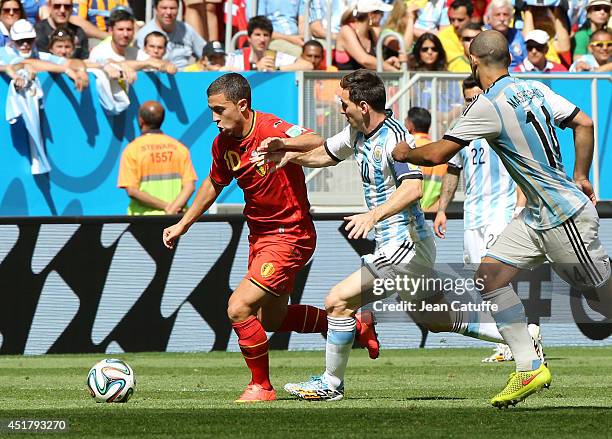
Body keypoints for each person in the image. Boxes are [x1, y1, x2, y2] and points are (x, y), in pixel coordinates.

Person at [255, 70, 511, 402]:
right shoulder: (357, 132)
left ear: (363, 105)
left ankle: (331, 384)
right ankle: (516, 336)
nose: (339, 108)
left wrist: (372, 215)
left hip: (406, 245)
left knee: (338, 301)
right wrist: (288, 153)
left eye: (343, 103)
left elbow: (413, 188)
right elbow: (325, 154)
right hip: (402, 244)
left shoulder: (394, 139)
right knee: (435, 319)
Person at [392, 30, 611, 408]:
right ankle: (528, 366)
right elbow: (585, 122)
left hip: (563, 218)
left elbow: (435, 155)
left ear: (474, 62)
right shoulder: (536, 89)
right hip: (536, 215)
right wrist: (581, 174)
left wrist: (404, 151)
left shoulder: (487, 105)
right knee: (490, 275)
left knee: (603, 299)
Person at [161, 73, 379, 402]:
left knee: (238, 308)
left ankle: (261, 386)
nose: (214, 118)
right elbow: (213, 184)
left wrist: (284, 145)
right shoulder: (223, 145)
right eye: (212, 111)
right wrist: (184, 224)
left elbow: (315, 140)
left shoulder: (269, 128)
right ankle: (356, 327)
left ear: (242, 105)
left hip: (290, 235)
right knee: (271, 319)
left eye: (220, 110)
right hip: (260, 236)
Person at [434, 76, 537, 363]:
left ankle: (518, 341)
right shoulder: (460, 129)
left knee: (496, 278)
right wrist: (442, 208)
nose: (472, 103)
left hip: (500, 212)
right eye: (468, 99)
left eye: (476, 97)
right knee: (482, 282)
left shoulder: (502, 122)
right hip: (473, 216)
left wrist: (519, 207)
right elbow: (453, 170)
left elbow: (521, 166)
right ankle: (516, 337)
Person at [117, 101, 197, 215]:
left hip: (144, 221)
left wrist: (166, 207)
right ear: (162, 120)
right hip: (176, 219)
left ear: (141, 120)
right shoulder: (179, 148)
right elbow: (190, 186)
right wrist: (173, 208)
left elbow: (132, 190)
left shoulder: (132, 150)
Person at [0, 18, 88, 90]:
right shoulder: (4, 53)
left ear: (35, 40)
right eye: (20, 41)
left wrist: (81, 70)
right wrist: (66, 70)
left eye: (29, 40)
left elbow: (68, 62)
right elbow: (27, 63)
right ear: (11, 42)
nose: (25, 44)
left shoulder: (38, 55)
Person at [89, 8, 176, 75]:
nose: (125, 34)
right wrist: (146, 63)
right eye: (120, 29)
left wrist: (167, 66)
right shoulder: (99, 51)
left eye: (129, 29)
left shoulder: (135, 52)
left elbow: (155, 62)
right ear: (111, 30)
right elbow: (112, 65)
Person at [225, 16, 313, 71]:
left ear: (270, 38)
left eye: (266, 35)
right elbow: (219, 69)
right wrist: (256, 69)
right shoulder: (236, 57)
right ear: (249, 38)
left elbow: (308, 66)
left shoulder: (277, 56)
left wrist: (277, 69)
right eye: (257, 35)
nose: (262, 39)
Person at [136, 0, 206, 69]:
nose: (168, 12)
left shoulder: (186, 29)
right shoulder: (144, 34)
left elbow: (205, 53)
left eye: (172, 8)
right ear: (155, 9)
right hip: (156, 75)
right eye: (164, 8)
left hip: (185, 76)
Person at [334, 0, 400, 71]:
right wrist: (394, 70)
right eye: (381, 12)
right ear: (371, 15)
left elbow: (376, 64)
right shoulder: (346, 30)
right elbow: (364, 60)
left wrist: (387, 63)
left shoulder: (372, 32)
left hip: (367, 80)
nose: (383, 15)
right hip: (349, 81)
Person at [405, 107, 446, 212]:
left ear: (410, 125)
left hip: (409, 216)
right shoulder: (440, 154)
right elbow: (446, 192)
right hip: (431, 216)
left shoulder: (407, 152)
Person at [483, 0, 526, 69]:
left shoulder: (517, 35)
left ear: (511, 18)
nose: (502, 19)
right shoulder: (482, 36)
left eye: (505, 14)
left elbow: (525, 60)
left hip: (517, 76)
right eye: (497, 14)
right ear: (489, 18)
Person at [439, 0, 473, 72]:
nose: (455, 24)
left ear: (471, 17)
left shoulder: (483, 34)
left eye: (460, 20)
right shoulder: (442, 37)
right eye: (452, 20)